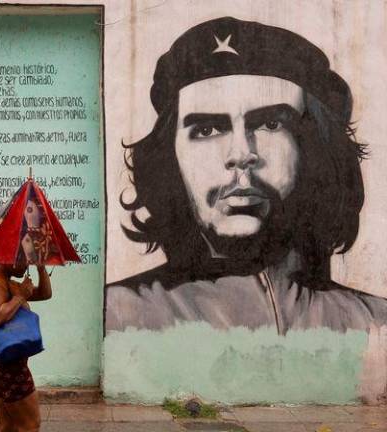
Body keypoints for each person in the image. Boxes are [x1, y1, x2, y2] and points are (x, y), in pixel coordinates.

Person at [106, 16, 387, 334]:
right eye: (208, 129)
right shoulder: (116, 319)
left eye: (270, 124)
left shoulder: (374, 325)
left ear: (315, 147)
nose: (240, 154)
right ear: (170, 158)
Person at [0, 263, 51, 432]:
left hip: (4, 363)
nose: (26, 264)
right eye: (22, 259)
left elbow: (45, 293)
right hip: (7, 367)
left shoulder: (8, 283)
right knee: (30, 426)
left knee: (6, 427)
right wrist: (20, 297)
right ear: (8, 259)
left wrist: (41, 268)